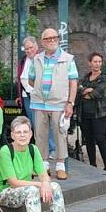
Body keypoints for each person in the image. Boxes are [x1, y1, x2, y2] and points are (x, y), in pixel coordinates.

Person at [0, 116, 79, 212]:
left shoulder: (33, 149)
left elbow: (44, 174)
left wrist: (45, 182)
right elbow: (13, 182)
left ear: (31, 134)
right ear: (12, 135)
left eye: (25, 132)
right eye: (18, 132)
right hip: (4, 192)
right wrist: (40, 184)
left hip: (26, 189)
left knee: (55, 186)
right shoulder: (6, 151)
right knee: (33, 190)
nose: (22, 135)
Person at [26, 28, 78, 181]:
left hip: (59, 103)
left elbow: (73, 83)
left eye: (54, 37)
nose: (51, 40)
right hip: (39, 104)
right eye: (48, 38)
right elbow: (31, 79)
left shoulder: (68, 59)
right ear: (42, 42)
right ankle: (44, 166)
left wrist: (70, 103)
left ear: (58, 39)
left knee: (59, 134)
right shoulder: (36, 59)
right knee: (40, 135)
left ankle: (60, 166)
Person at [78, 52, 106, 172]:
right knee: (88, 139)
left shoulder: (104, 77)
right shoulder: (86, 77)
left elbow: (96, 93)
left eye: (99, 62)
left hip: (98, 114)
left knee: (101, 139)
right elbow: (78, 90)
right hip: (85, 114)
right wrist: (85, 91)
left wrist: (87, 92)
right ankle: (92, 164)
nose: (97, 64)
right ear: (90, 63)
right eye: (95, 61)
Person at [17, 36, 40, 128]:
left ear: (36, 47)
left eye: (31, 48)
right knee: (32, 123)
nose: (29, 50)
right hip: (26, 96)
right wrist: (19, 96)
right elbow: (20, 80)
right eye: (26, 49)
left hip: (39, 96)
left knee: (39, 124)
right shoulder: (22, 61)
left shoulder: (41, 59)